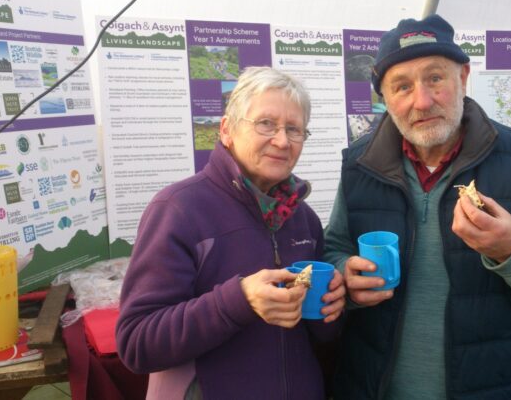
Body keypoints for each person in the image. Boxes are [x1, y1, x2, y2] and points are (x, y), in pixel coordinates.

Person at [323, 14, 511, 399]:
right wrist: (344, 275)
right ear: (385, 98)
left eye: (435, 78)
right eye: (401, 86)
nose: (423, 100)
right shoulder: (360, 165)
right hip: (373, 387)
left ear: (463, 77)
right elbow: (335, 248)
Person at [116, 67, 346, 400]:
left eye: (294, 129)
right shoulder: (178, 209)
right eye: (266, 123)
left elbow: (319, 337)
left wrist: (331, 308)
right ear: (227, 130)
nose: (282, 141)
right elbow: (137, 343)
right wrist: (238, 301)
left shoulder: (304, 219)